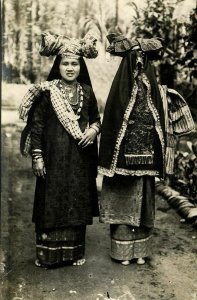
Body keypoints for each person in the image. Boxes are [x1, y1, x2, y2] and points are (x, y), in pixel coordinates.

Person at [98, 33, 195, 266]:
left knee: (144, 203)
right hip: (124, 160)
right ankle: (122, 252)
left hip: (147, 158)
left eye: (143, 59)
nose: (139, 63)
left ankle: (140, 251)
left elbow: (163, 122)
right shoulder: (119, 93)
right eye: (135, 58)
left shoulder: (156, 91)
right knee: (124, 201)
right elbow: (113, 124)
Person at [19, 32, 101, 268]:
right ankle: (49, 255)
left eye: (74, 63)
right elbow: (37, 126)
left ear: (80, 66)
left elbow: (96, 119)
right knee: (51, 201)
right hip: (53, 159)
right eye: (65, 63)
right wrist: (38, 157)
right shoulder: (47, 92)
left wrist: (93, 131)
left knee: (77, 201)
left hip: (79, 160)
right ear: (58, 66)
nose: (70, 68)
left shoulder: (86, 92)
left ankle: (74, 253)